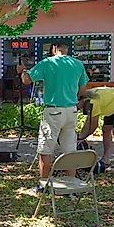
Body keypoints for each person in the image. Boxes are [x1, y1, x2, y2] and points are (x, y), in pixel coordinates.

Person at [17, 43, 89, 187]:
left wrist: (22, 70)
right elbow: (82, 90)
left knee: (45, 150)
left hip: (53, 110)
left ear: (54, 49)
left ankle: (43, 184)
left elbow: (26, 80)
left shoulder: (47, 62)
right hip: (71, 110)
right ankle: (72, 184)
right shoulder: (77, 64)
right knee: (70, 150)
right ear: (67, 50)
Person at [76, 87, 114, 171]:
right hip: (111, 103)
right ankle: (105, 158)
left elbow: (93, 126)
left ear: (80, 100)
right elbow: (88, 122)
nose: (77, 109)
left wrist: (81, 138)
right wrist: (80, 137)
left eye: (76, 106)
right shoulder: (87, 100)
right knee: (106, 129)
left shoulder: (92, 103)